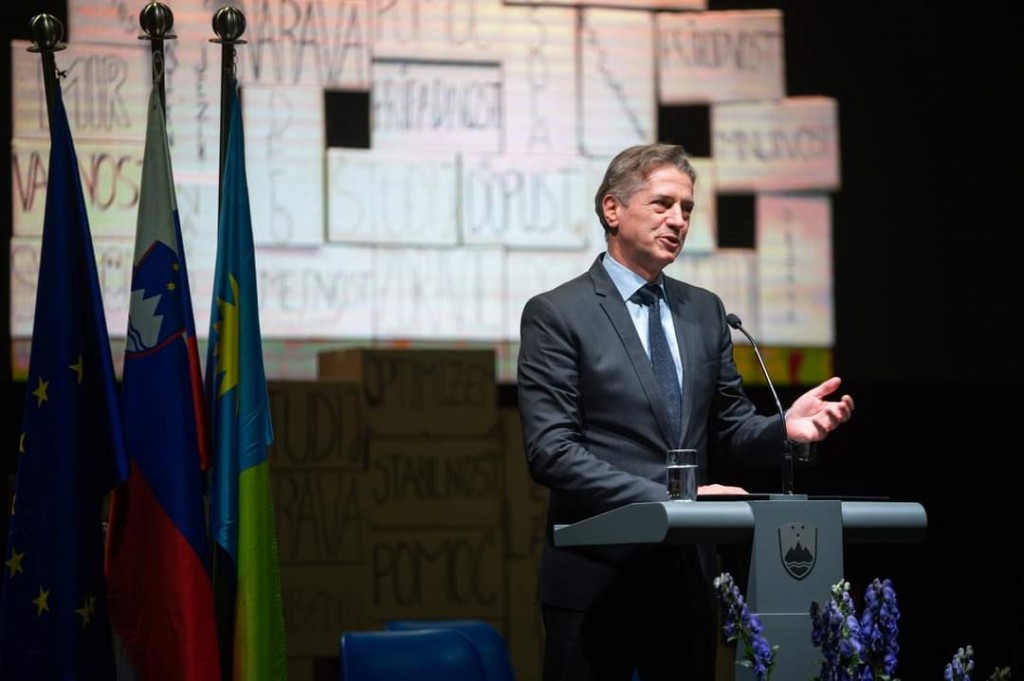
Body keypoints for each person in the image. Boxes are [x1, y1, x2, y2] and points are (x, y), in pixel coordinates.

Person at [516, 142, 854, 681]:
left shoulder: (704, 311)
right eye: (663, 204)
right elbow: (551, 452)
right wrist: (674, 500)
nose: (678, 220)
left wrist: (784, 429)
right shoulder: (558, 313)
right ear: (612, 209)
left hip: (686, 582)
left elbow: (730, 427)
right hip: (595, 577)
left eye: (687, 208)